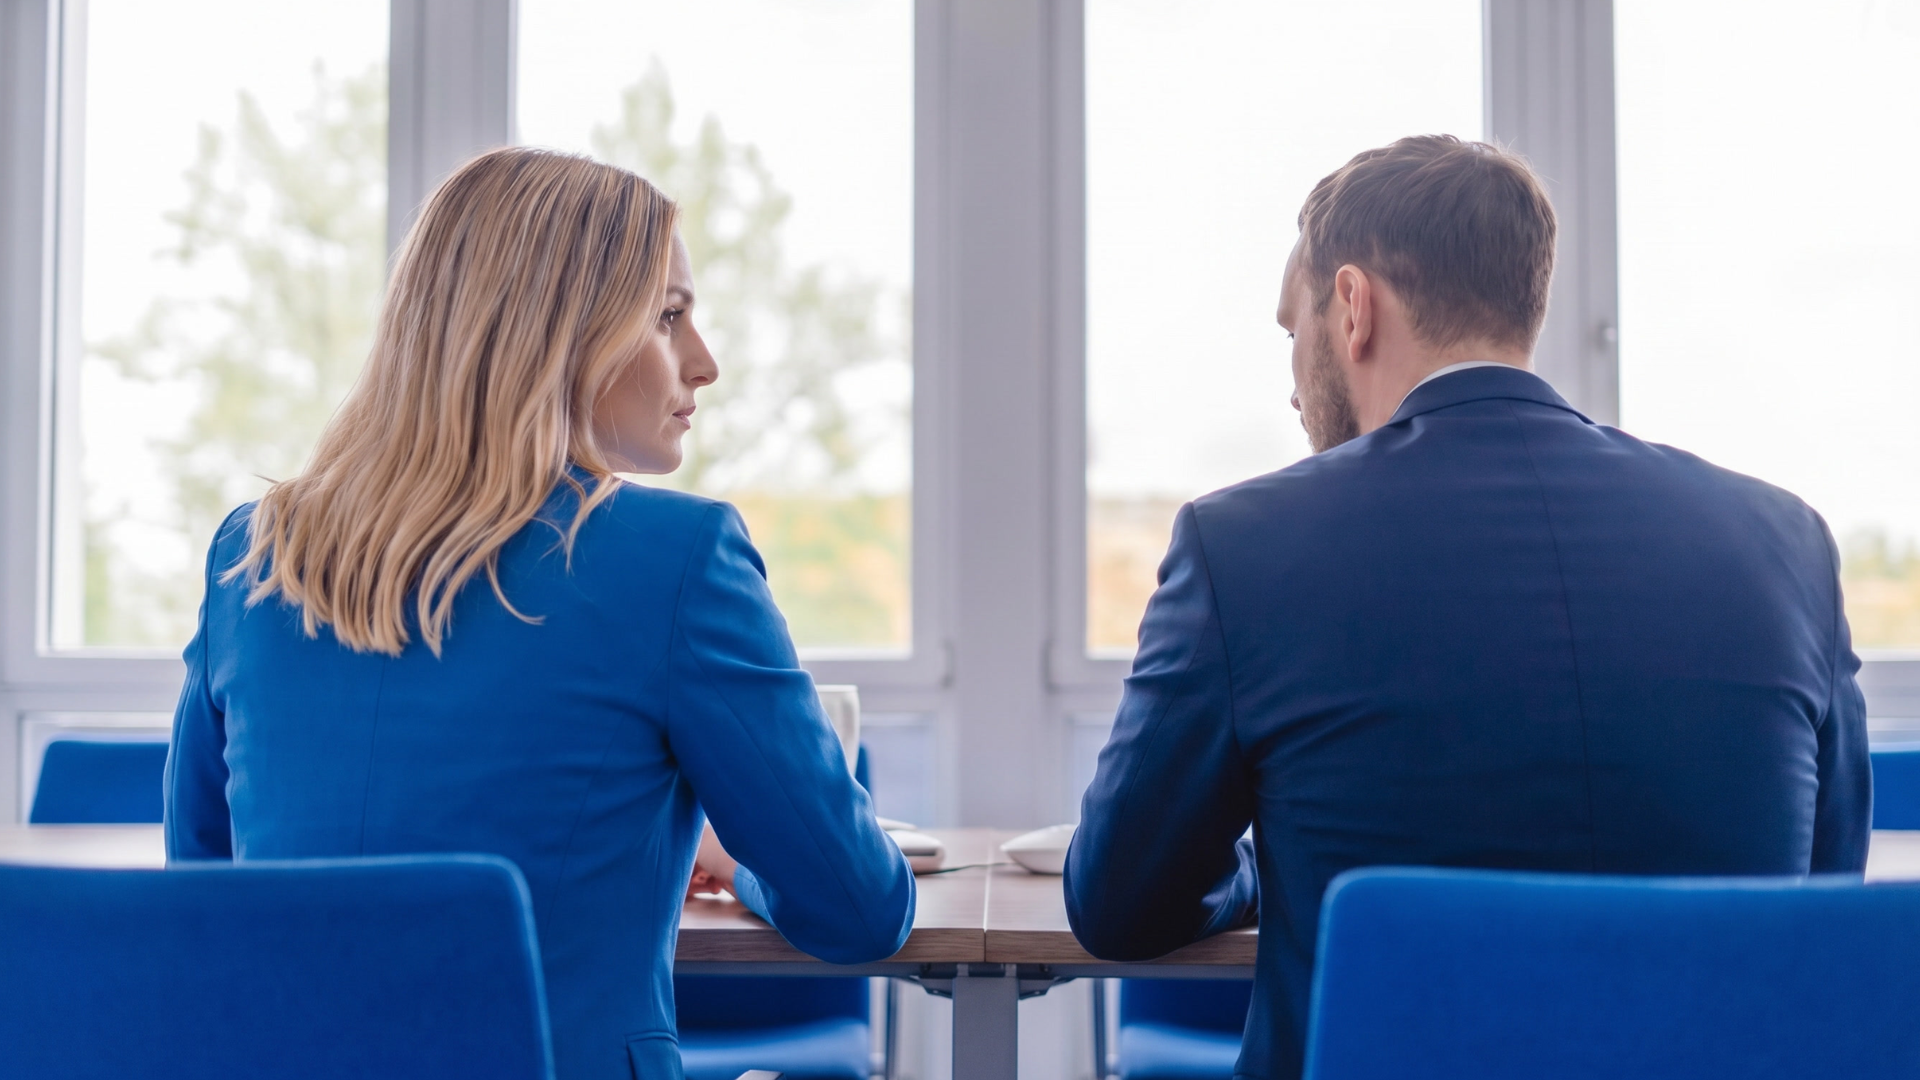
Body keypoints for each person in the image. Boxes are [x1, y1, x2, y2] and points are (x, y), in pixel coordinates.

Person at [1063, 135, 1870, 1080]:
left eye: (1295, 329)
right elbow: (1821, 893)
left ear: (1354, 308)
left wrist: (1259, 873)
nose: (1291, 384)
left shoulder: (1243, 545)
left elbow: (1118, 900)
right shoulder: (1786, 542)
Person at [163, 147, 915, 1080]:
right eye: (670, 317)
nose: (704, 362)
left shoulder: (252, 554)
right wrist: (738, 860)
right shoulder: (681, 560)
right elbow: (858, 910)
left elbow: (200, 887)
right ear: (562, 336)